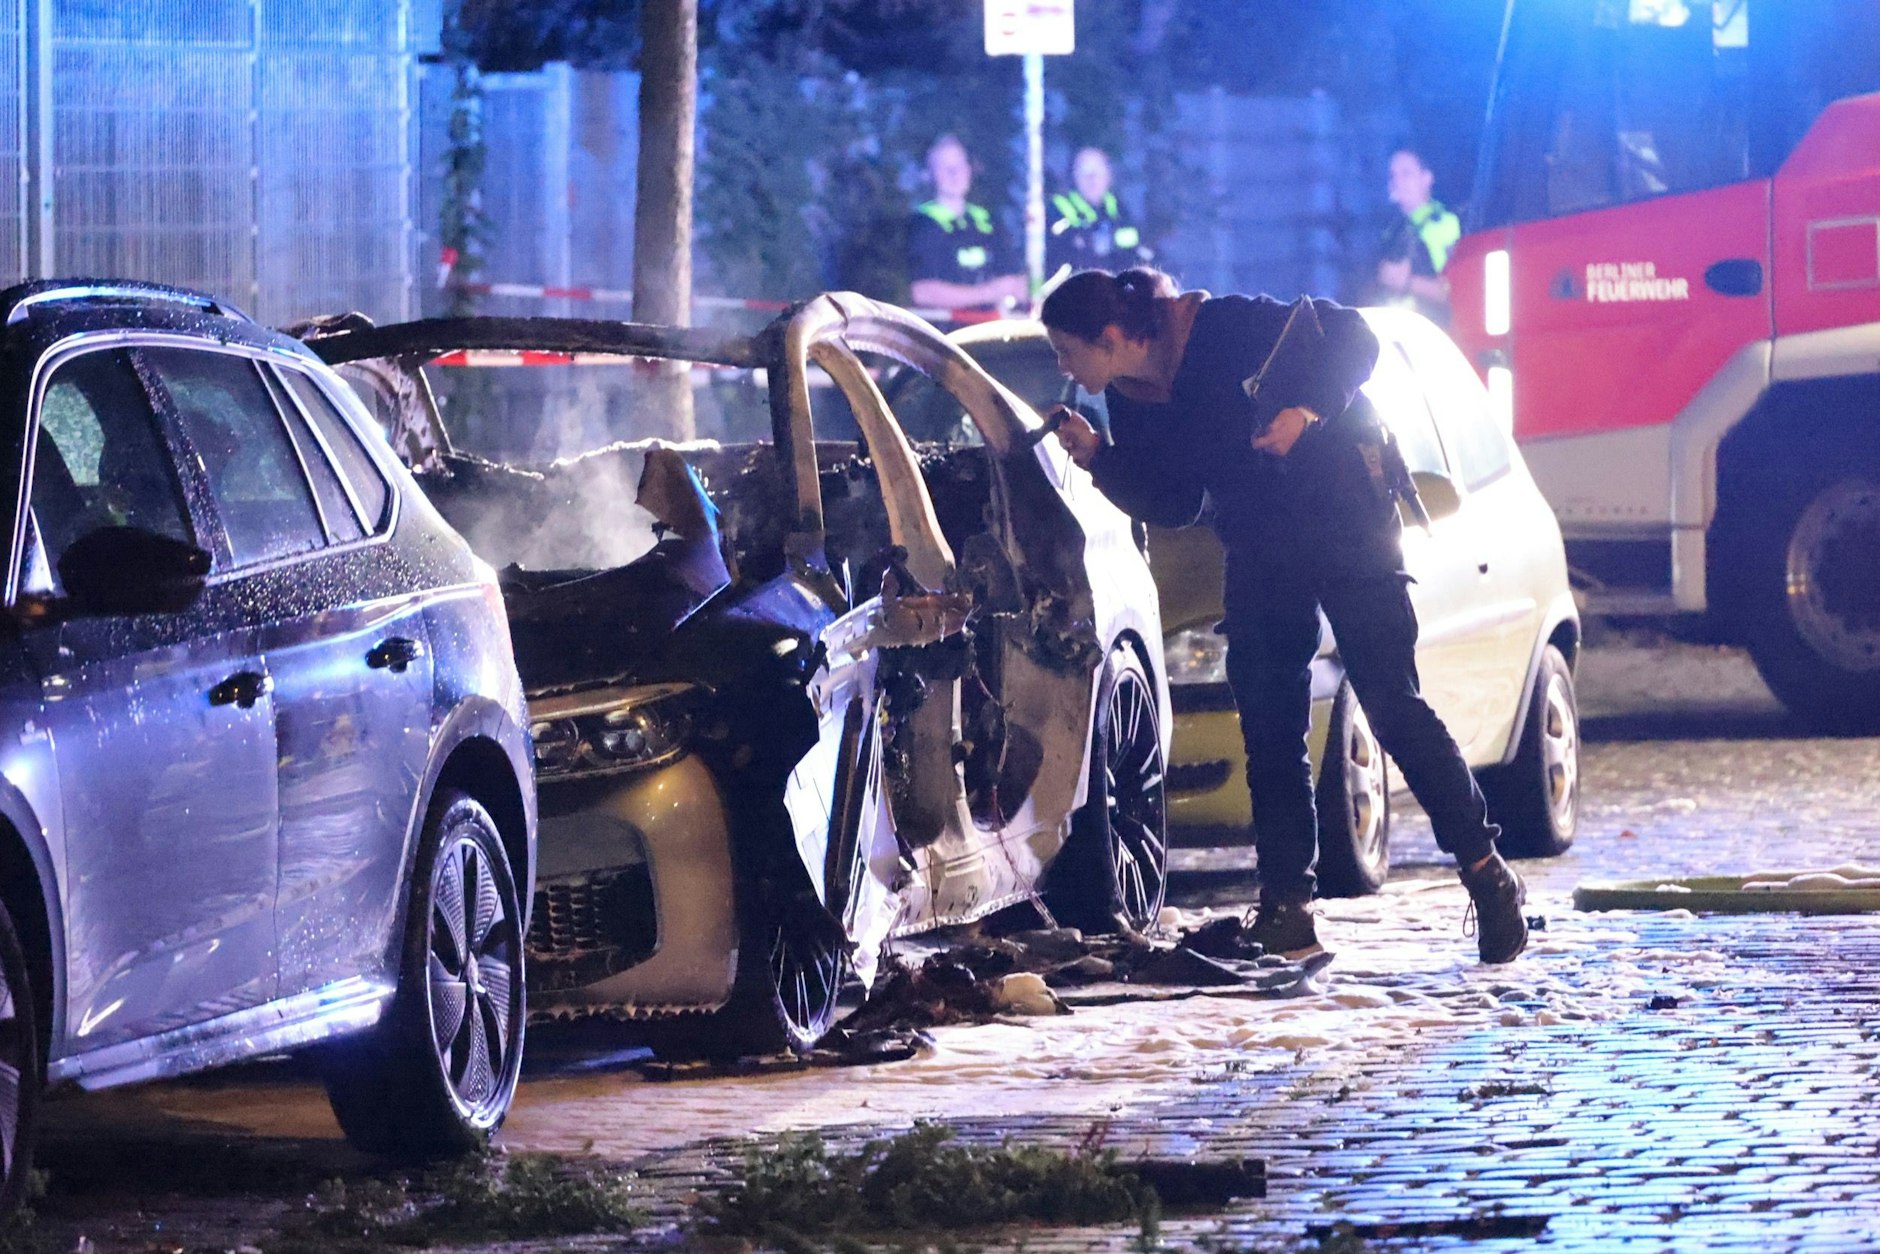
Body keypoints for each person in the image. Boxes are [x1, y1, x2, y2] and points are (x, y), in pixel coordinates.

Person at [1040, 267, 1528, 964]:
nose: (1065, 368)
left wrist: (1306, 409)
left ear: (1113, 337)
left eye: (1068, 351)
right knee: (1269, 722)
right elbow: (1176, 501)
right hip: (1261, 543)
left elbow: (1356, 339)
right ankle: (1286, 909)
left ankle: (1486, 874)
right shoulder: (1132, 395)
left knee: (1392, 704)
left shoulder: (1226, 324)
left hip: (1346, 521)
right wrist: (1098, 459)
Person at [907, 134, 1028, 315]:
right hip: (947, 331)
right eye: (945, 168)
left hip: (991, 329)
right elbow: (923, 292)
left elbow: (1013, 280)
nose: (955, 174)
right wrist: (989, 293)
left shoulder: (985, 220)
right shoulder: (923, 224)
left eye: (960, 165)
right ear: (929, 174)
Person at [1376, 148, 1462, 324]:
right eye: (1392, 176)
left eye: (1406, 174)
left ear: (1427, 178)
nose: (1397, 181)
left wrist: (1408, 282)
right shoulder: (1391, 231)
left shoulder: (1444, 225)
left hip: (1432, 333)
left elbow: (1455, 290)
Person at [1047, 146, 1152, 274]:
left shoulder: (1117, 206)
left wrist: (1110, 240)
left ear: (1108, 175)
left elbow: (1136, 237)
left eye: (1098, 171)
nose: (1092, 179)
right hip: (1074, 285)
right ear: (1074, 176)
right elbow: (1062, 247)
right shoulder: (1059, 206)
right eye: (1085, 172)